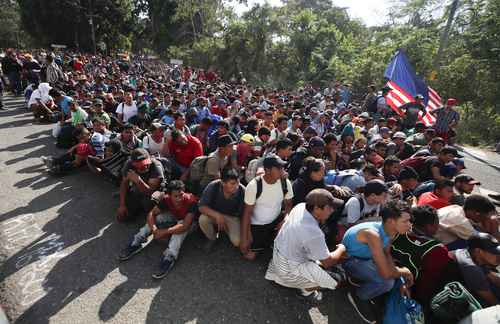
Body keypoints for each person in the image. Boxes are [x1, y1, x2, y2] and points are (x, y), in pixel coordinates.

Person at [265, 189, 347, 303]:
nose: (332, 210)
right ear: (317, 208)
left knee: (317, 260)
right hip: (288, 268)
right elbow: (328, 262)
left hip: (278, 255)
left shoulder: (301, 206)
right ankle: (305, 290)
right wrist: (341, 249)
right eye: (329, 207)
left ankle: (292, 279)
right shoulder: (313, 232)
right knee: (337, 279)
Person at [342, 200, 414, 322]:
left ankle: (358, 281)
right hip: (351, 261)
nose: (409, 224)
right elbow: (386, 274)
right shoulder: (373, 234)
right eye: (405, 221)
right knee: (386, 282)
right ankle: (358, 295)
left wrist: (396, 272)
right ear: (391, 221)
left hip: (366, 259)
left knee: (391, 277)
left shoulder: (391, 230)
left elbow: (386, 253)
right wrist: (404, 272)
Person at [118, 180, 197, 279]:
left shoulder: (191, 201)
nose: (179, 198)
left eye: (181, 195)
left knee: (180, 229)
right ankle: (137, 241)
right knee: (157, 218)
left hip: (190, 224)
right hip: (176, 217)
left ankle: (170, 257)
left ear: (184, 191)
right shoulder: (166, 199)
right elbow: (152, 214)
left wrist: (163, 232)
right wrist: (154, 229)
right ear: (169, 195)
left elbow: (185, 225)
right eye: (175, 196)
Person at [391, 205, 456, 306]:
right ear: (429, 226)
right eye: (437, 223)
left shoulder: (400, 230)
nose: (438, 226)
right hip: (409, 286)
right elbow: (427, 282)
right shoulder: (436, 249)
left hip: (390, 270)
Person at [240, 155, 294, 260]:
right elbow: (247, 213)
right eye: (279, 168)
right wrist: (244, 237)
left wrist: (285, 219)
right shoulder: (254, 185)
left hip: (276, 221)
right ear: (267, 170)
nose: (282, 171)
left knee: (289, 229)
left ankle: (274, 244)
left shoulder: (285, 183)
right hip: (257, 225)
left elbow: (288, 205)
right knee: (249, 256)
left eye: (282, 168)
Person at [198, 168, 245, 251]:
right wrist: (218, 215)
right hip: (215, 215)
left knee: (237, 242)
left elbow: (245, 214)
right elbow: (201, 207)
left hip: (232, 217)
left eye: (238, 182)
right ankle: (212, 238)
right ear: (223, 183)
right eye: (232, 184)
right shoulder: (213, 186)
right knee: (203, 219)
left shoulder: (242, 191)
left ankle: (225, 231)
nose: (236, 186)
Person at [451, 233, 500, 306]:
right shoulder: (473, 269)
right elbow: (493, 301)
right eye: (494, 253)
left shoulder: (473, 254)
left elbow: (492, 277)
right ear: (479, 251)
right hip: (458, 302)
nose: (498, 256)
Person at [117, 148, 164, 222]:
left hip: (156, 192)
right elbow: (124, 183)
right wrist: (122, 205)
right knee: (123, 215)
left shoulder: (156, 166)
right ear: (133, 163)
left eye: (146, 163)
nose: (145, 166)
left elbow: (150, 192)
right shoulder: (129, 164)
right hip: (138, 188)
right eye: (141, 165)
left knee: (147, 203)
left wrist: (138, 180)